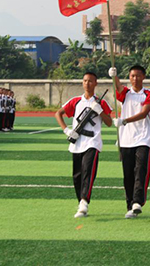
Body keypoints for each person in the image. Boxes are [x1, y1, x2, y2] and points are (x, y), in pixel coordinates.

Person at [55, 71, 113, 218]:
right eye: (85, 81)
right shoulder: (75, 101)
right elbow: (58, 114)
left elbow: (109, 122)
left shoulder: (101, 102)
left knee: (88, 171)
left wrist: (99, 111)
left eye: (91, 81)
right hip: (77, 143)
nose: (87, 84)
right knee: (77, 175)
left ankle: (84, 201)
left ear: (96, 83)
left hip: (92, 142)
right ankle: (80, 201)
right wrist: (66, 130)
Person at [108, 65, 150, 219]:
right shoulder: (126, 93)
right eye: (132, 76)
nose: (135, 79)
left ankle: (137, 201)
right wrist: (114, 76)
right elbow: (118, 87)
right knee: (128, 174)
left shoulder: (149, 94)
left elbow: (144, 114)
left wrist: (124, 120)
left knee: (140, 169)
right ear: (129, 78)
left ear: (143, 77)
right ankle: (130, 206)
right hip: (126, 139)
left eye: (138, 75)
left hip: (143, 138)